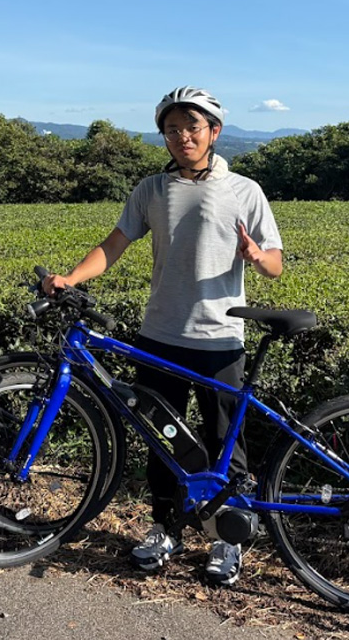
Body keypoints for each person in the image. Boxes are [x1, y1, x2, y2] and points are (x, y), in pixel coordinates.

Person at [43, 86, 283, 587]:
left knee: (225, 444)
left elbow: (275, 265)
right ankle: (164, 527)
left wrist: (257, 256)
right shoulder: (151, 189)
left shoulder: (244, 190)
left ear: (214, 132)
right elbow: (114, 244)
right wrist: (71, 277)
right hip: (160, 335)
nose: (182, 137)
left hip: (219, 338)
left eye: (192, 127)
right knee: (162, 441)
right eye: (172, 129)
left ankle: (227, 537)